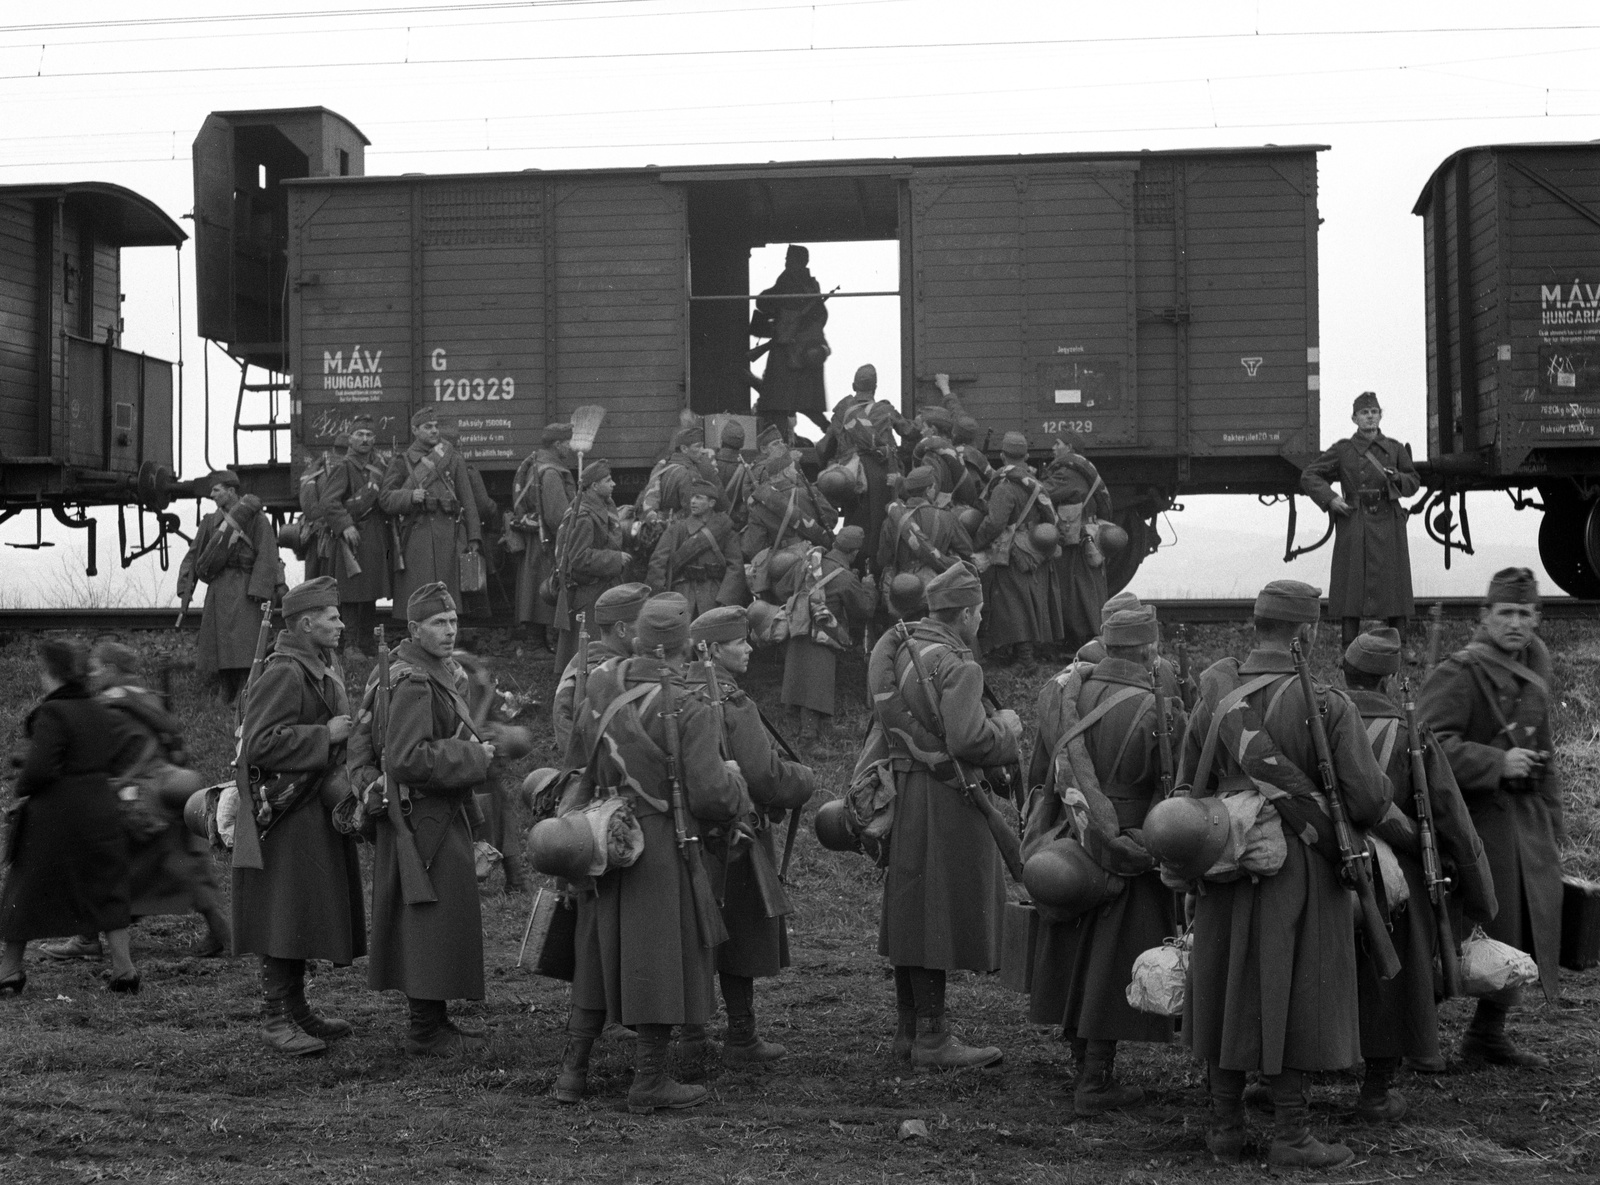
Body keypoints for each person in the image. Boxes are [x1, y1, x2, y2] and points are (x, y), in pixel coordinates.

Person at [1177, 579, 1391, 1169]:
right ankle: (1292, 1135)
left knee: (1226, 985)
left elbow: (1183, 790)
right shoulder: (1325, 702)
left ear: (1257, 626)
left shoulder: (1214, 701)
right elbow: (1370, 802)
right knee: (1296, 993)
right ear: (1307, 632)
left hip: (1224, 858)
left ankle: (1224, 1128)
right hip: (1302, 865)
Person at [556, 593, 751, 1112]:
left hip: (600, 833)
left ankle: (572, 1074)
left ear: (637, 639)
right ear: (684, 647)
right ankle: (649, 1081)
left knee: (596, 953)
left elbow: (577, 756)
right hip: (662, 839)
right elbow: (710, 793)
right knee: (660, 956)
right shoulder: (690, 702)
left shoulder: (598, 683)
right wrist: (737, 789)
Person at [1024, 606, 1182, 1115]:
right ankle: (1095, 1081)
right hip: (1129, 846)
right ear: (1148, 649)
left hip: (1074, 838)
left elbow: (1042, 772)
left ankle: (1082, 1062)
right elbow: (1173, 787)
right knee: (1111, 965)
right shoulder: (1158, 708)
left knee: (1076, 953)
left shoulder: (1065, 694)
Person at [872, 564, 1023, 1069]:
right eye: (978, 613)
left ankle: (908, 1030)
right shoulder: (961, 666)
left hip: (909, 791)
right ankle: (934, 1041)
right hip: (950, 798)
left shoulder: (902, 652)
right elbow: (969, 740)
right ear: (963, 613)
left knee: (913, 907)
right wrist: (1007, 728)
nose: (980, 621)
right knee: (937, 912)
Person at [1341, 628, 1496, 1113]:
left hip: (1326, 860)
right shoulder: (1409, 734)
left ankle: (1285, 1082)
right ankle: (1377, 1089)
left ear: (1345, 674)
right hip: (1398, 877)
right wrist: (1479, 892)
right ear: (1389, 682)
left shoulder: (1315, 720)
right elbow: (1449, 813)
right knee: (1394, 981)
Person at [1419, 567, 1561, 1067]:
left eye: (1526, 613)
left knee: (1520, 931)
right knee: (1454, 938)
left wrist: (1553, 827)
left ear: (1538, 617)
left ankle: (1487, 1033)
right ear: (1485, 616)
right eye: (1506, 613)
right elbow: (1427, 750)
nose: (1516, 623)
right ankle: (1412, 1038)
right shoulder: (1462, 672)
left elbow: (1544, 756)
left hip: (1525, 825)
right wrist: (1497, 762)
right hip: (1472, 825)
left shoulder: (1536, 666)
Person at [363, 582, 495, 1055]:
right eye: (439, 623)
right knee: (428, 924)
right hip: (423, 819)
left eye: (454, 621)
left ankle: (435, 1020)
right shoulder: (414, 682)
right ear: (415, 629)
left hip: (437, 814)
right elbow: (405, 759)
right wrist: (474, 756)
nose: (450, 630)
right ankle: (425, 1030)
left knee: (437, 923)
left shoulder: (431, 672)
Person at [234, 576, 364, 1055]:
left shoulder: (317, 664)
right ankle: (273, 1018)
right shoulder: (286, 671)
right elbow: (258, 745)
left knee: (300, 910)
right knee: (283, 914)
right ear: (306, 624)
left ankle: (297, 1010)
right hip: (284, 814)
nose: (341, 624)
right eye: (332, 617)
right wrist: (324, 734)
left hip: (307, 809)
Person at [683, 605, 815, 1066]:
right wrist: (804, 779)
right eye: (740, 641)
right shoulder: (733, 703)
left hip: (685, 838)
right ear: (714, 649)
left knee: (692, 934)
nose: (750, 647)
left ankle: (690, 1035)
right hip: (734, 840)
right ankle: (741, 1037)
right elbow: (766, 778)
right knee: (738, 933)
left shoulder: (675, 693)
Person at [39, 643, 225, 962]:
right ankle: (222, 931)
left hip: (138, 800)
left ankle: (87, 939)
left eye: (96, 668)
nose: (91, 676)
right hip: (170, 791)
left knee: (94, 858)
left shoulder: (106, 708)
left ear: (111, 670)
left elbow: (91, 758)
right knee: (184, 864)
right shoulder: (148, 698)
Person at [0, 640, 140, 995]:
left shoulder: (53, 713)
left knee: (24, 889)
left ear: (52, 674)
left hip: (56, 814)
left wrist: (21, 787)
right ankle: (125, 971)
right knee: (106, 887)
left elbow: (41, 768)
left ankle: (9, 971)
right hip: (101, 807)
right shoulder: (98, 708)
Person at [1300, 391, 1421, 648]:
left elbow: (1413, 483)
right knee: (1351, 583)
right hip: (1355, 520)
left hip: (1389, 519)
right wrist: (1331, 499)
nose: (1370, 417)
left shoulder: (1395, 448)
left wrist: (1398, 477)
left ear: (1380, 415)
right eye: (1364, 413)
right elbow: (1310, 475)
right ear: (1354, 418)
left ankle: (1400, 644)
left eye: (1374, 412)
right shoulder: (1343, 450)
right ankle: (1349, 645)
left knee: (1395, 582)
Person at [175, 470, 283, 704]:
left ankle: (247, 691)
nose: (211, 495)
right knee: (220, 643)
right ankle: (226, 690)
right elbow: (194, 556)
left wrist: (260, 589)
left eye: (216, 490)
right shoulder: (209, 522)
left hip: (246, 586)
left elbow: (267, 553)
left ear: (231, 491)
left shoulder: (256, 519)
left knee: (246, 644)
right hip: (219, 586)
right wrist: (186, 587)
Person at [379, 406, 484, 621]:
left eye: (436, 427)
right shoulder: (402, 461)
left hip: (450, 534)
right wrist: (409, 496)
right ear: (415, 430)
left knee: (448, 597)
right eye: (428, 427)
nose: (434, 431)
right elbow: (386, 499)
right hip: (417, 536)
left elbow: (468, 501)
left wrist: (474, 537)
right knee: (420, 596)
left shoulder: (453, 458)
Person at [775, 525, 877, 742]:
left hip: (800, 625)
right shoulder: (846, 579)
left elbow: (783, 590)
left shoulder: (809, 560)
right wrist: (868, 586)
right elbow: (865, 608)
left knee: (800, 674)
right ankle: (809, 736)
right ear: (854, 553)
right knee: (816, 681)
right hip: (823, 632)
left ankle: (808, 721)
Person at [307, 414, 391, 656]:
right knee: (352, 593)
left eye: (369, 435)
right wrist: (345, 526)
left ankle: (366, 642)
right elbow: (328, 502)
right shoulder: (344, 467)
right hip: (351, 538)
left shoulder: (378, 467)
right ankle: (350, 644)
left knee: (370, 592)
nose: (364, 440)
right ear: (351, 439)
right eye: (359, 435)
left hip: (373, 535)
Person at [973, 432, 1061, 665]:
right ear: (1027, 456)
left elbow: (994, 523)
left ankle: (1025, 658)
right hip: (1033, 546)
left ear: (1002, 456)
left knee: (1013, 603)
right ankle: (1026, 653)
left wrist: (977, 543)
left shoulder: (1005, 487)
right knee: (1029, 599)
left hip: (1012, 550)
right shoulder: (1035, 484)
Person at [551, 460, 634, 674]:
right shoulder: (584, 516)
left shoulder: (601, 507)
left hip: (599, 590)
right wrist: (615, 559)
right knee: (588, 656)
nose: (614, 484)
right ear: (594, 486)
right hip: (590, 594)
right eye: (608, 480)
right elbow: (578, 558)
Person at [820, 364, 907, 565]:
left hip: (853, 477)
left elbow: (825, 447)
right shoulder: (885, 410)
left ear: (853, 385)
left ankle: (855, 568)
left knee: (853, 522)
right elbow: (909, 432)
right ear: (875, 388)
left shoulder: (843, 412)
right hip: (882, 478)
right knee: (881, 524)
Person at [552, 582, 650, 758]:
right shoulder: (602, 672)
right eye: (643, 624)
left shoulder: (580, 661)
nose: (649, 631)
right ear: (621, 629)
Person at [750, 245, 830, 436]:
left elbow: (765, 301)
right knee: (798, 404)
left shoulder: (790, 281)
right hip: (796, 349)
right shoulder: (806, 284)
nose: (786, 261)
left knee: (777, 403)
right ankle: (826, 431)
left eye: (790, 258)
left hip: (791, 351)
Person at [1044, 436, 1113, 655]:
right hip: (1087, 538)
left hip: (1075, 542)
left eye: (1058, 443)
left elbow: (1043, 492)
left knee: (1074, 590)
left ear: (1070, 447)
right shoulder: (1083, 471)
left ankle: (1081, 640)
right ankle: (1090, 637)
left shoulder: (1067, 474)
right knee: (1087, 587)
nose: (1054, 447)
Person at [510, 423, 576, 648]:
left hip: (536, 540)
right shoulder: (551, 472)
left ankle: (535, 641)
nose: (571, 447)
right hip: (548, 543)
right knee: (547, 587)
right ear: (558, 445)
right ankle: (543, 643)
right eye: (568, 442)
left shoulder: (536, 464)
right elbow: (558, 516)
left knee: (533, 587)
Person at [875, 466, 973, 615]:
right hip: (935, 589)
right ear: (929, 490)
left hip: (902, 590)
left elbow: (883, 559)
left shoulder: (892, 520)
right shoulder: (947, 517)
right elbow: (967, 551)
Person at [646, 478, 744, 618]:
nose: (692, 501)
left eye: (698, 498)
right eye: (692, 497)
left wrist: (725, 600)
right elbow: (658, 563)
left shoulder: (725, 531)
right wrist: (661, 599)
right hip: (682, 594)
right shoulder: (677, 529)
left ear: (711, 503)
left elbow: (735, 566)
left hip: (714, 594)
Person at [742, 425, 837, 560]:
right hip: (813, 558)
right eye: (794, 469)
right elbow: (831, 519)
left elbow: (753, 547)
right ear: (787, 472)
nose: (796, 472)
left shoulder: (759, 506)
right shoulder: (809, 493)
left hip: (779, 562)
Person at [714, 421, 754, 531]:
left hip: (709, 523)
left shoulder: (709, 463)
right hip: (731, 523)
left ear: (722, 440)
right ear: (741, 443)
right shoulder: (746, 469)